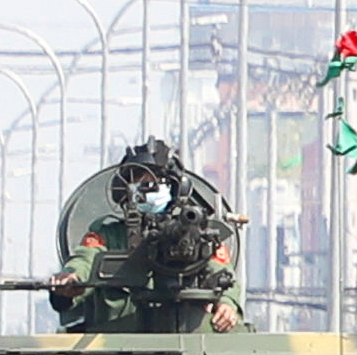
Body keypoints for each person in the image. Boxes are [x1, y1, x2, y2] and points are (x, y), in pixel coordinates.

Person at [49, 140, 246, 334]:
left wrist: (228, 305)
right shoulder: (108, 235)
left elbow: (222, 274)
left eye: (153, 183)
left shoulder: (197, 234)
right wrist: (71, 278)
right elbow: (85, 260)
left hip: (184, 337)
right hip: (116, 346)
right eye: (137, 182)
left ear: (174, 188)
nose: (145, 189)